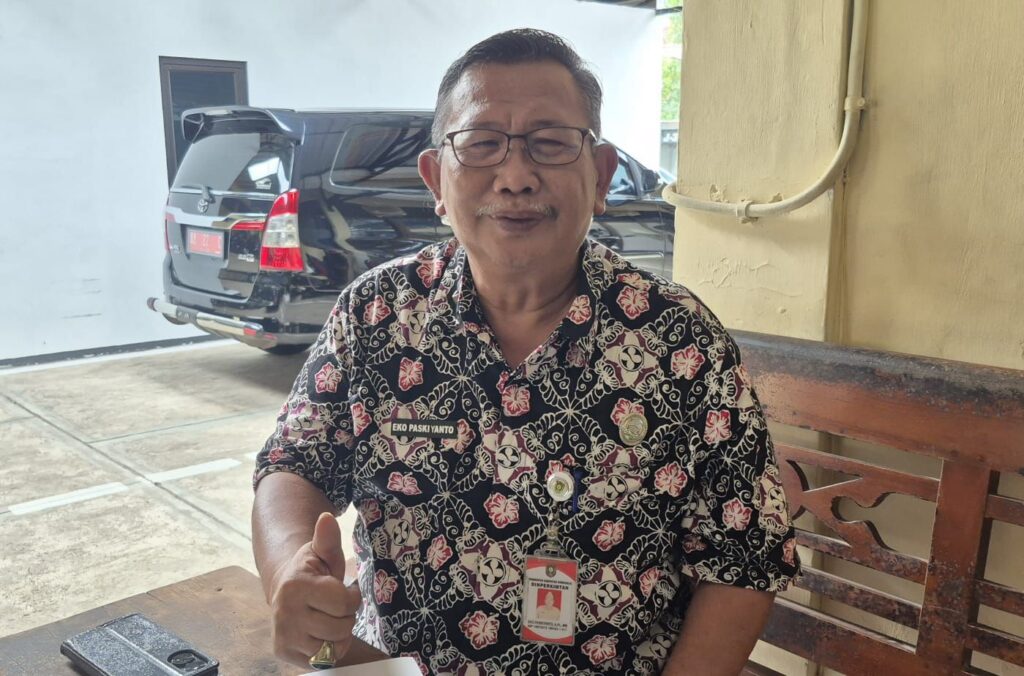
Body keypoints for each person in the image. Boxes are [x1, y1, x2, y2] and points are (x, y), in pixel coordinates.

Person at [252, 28, 799, 675]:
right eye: (482, 143)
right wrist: (291, 571)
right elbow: (293, 463)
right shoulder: (375, 316)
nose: (514, 177)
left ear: (601, 175)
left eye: (551, 142)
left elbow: (745, 557)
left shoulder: (680, 340)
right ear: (436, 179)